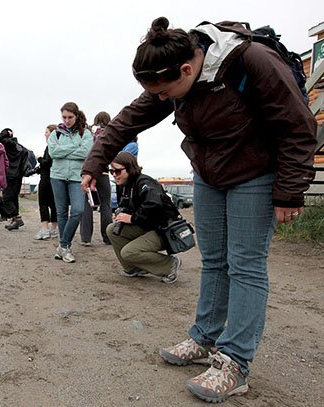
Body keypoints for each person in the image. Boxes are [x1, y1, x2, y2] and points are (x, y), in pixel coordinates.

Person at [81, 17, 316, 403]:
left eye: (165, 92)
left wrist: (290, 192)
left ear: (187, 69)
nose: (161, 99)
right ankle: (205, 338)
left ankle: (235, 363)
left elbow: (298, 126)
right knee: (214, 260)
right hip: (208, 174)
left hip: (256, 174)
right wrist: (94, 163)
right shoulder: (172, 78)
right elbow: (128, 119)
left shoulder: (251, 61)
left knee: (245, 264)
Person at [106, 152, 181, 283]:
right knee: (112, 230)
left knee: (128, 252)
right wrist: (121, 214)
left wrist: (132, 218)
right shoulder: (123, 185)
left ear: (129, 168)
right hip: (146, 226)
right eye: (111, 171)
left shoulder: (144, 182)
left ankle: (169, 265)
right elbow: (126, 206)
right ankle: (133, 268)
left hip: (163, 230)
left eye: (117, 171)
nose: (114, 175)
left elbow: (154, 204)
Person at [49, 102, 94, 263]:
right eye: (64, 117)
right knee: (61, 213)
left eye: (70, 117)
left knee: (78, 210)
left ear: (76, 116)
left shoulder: (85, 132)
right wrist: (75, 147)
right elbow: (52, 152)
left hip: (77, 177)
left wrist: (63, 150)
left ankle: (62, 246)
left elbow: (87, 152)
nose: (67, 120)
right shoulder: (56, 132)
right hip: (57, 176)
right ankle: (65, 247)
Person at [79, 112, 113, 246]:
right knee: (105, 205)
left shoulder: (87, 133)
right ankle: (107, 237)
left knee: (86, 205)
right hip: (103, 172)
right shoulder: (109, 132)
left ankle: (86, 238)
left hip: (87, 170)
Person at [0, 128, 29, 230]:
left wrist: (6, 133)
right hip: (18, 175)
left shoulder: (7, 143)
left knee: (6, 198)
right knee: (14, 198)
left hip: (11, 174)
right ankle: (15, 221)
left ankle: (17, 218)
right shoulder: (18, 146)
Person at [33, 124, 58, 240]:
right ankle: (53, 230)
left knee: (43, 203)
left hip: (46, 179)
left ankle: (44, 230)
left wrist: (39, 159)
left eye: (46, 132)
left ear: (52, 133)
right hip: (55, 178)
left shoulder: (50, 147)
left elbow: (47, 163)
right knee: (54, 204)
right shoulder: (59, 146)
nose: (45, 135)